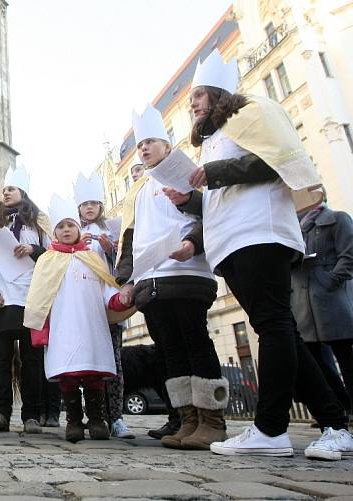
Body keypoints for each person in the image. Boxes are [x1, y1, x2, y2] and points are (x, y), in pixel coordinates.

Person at [166, 49, 352, 459]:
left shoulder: (252, 112)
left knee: (274, 325)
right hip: (230, 241)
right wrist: (188, 199)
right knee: (279, 328)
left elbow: (277, 161)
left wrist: (213, 175)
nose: (193, 104)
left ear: (218, 94)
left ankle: (271, 429)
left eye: (198, 96)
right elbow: (222, 198)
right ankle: (335, 423)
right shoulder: (212, 141)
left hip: (260, 234)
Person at [116, 103, 228, 450]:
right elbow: (133, 238)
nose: (145, 148)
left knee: (195, 342)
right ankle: (188, 418)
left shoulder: (185, 172)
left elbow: (209, 212)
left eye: (151, 141)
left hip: (186, 270)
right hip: (153, 279)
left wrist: (191, 244)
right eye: (140, 145)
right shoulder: (139, 190)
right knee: (169, 350)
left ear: (167, 146)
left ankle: (212, 420)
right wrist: (128, 279)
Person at [24, 195, 133, 442]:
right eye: (61, 226)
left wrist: (119, 300)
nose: (66, 230)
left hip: (91, 325)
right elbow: (39, 296)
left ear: (78, 228)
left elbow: (106, 288)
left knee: (93, 374)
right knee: (68, 374)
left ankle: (96, 418)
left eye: (70, 225)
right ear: (54, 232)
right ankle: (73, 420)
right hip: (63, 326)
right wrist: (40, 328)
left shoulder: (93, 258)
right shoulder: (47, 260)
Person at [0, 164, 50, 433]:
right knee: (1, 361)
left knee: (32, 362)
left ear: (23, 192)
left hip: (31, 300)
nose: (6, 192)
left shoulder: (39, 224)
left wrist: (33, 249)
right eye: (4, 189)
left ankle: (32, 415)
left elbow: (53, 257)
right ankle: (0, 412)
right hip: (3, 303)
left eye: (11, 188)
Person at [74, 172, 134, 439]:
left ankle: (117, 417)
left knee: (114, 360)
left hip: (106, 301)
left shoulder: (112, 229)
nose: (89, 208)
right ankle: (93, 414)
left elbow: (125, 261)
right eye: (85, 204)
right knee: (86, 359)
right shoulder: (70, 230)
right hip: (81, 305)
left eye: (94, 203)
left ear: (100, 206)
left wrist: (111, 250)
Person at [292, 200, 353, 418]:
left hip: (332, 299)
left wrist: (330, 280)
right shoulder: (293, 227)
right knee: (316, 362)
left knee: (346, 357)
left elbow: (348, 255)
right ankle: (339, 408)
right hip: (303, 302)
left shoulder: (338, 218)